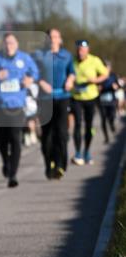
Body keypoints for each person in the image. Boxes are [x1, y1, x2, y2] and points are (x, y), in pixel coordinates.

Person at [0, 32, 39, 188]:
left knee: (15, 139)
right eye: (6, 43)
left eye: (11, 43)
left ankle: (13, 175)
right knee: (2, 141)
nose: (9, 46)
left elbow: (35, 72)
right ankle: (6, 162)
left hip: (17, 106)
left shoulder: (24, 58)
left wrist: (30, 79)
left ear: (17, 44)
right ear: (2, 44)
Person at [36, 29, 75, 179]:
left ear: (60, 39)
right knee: (47, 136)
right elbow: (33, 73)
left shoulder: (67, 55)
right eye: (50, 37)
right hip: (45, 99)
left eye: (55, 37)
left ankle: (60, 165)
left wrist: (70, 80)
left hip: (62, 97)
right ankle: (49, 164)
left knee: (61, 133)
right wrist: (41, 82)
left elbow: (72, 71)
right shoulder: (39, 55)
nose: (53, 39)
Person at [70, 39, 108, 165]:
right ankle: (77, 153)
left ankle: (86, 151)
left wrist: (95, 80)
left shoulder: (94, 60)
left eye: (82, 50)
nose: (80, 52)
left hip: (91, 97)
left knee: (88, 126)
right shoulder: (72, 61)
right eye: (78, 50)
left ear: (87, 50)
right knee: (77, 124)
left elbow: (105, 74)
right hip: (76, 97)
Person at [98, 61, 119, 144]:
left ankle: (112, 124)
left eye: (107, 67)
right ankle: (106, 137)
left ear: (110, 68)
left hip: (111, 100)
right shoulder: (99, 76)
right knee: (103, 120)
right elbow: (96, 85)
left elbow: (118, 85)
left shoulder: (113, 75)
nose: (106, 68)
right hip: (102, 101)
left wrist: (116, 87)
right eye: (104, 67)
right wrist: (98, 88)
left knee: (112, 116)